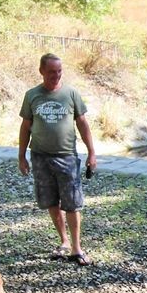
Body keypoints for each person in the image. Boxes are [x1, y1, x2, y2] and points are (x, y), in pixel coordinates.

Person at [18, 52, 98, 266]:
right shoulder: (32, 95)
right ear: (42, 71)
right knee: (51, 201)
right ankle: (63, 241)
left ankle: (76, 248)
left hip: (67, 157)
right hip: (40, 157)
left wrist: (91, 152)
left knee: (72, 203)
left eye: (59, 71)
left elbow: (82, 123)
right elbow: (26, 127)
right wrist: (21, 156)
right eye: (52, 72)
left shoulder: (71, 94)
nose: (56, 76)